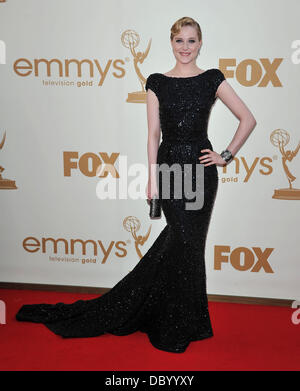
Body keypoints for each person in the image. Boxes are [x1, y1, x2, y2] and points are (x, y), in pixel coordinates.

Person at [16, 16, 256, 353]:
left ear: (200, 43)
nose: (184, 47)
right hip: (171, 171)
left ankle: (187, 321)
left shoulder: (212, 79)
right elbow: (152, 135)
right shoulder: (156, 81)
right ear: (170, 43)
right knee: (182, 244)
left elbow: (249, 118)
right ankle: (173, 320)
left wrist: (225, 155)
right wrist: (152, 177)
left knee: (189, 247)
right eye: (178, 41)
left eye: (191, 41)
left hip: (202, 173)